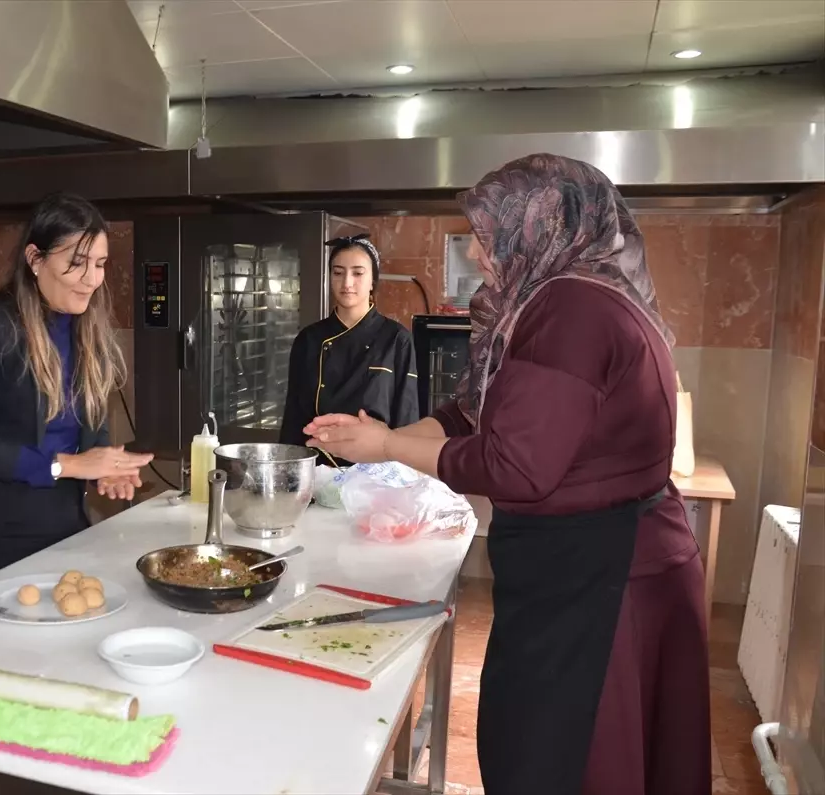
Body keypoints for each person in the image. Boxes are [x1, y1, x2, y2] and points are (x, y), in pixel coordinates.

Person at [304, 154, 710, 795]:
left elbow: (516, 466)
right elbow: (474, 412)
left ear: (542, 228)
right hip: (591, 569)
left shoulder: (572, 310)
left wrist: (386, 443)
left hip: (604, 582)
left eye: (488, 236)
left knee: (565, 761)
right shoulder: (568, 297)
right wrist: (382, 443)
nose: (478, 254)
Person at [0, 193, 152, 590]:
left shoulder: (88, 328)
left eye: (99, 264)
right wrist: (71, 466)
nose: (92, 279)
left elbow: (89, 422)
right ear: (35, 259)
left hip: (61, 522)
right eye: (77, 263)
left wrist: (104, 467)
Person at [278, 233, 418, 466]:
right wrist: (287, 470)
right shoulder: (309, 339)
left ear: (373, 281)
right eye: (338, 272)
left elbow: (407, 417)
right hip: (318, 467)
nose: (347, 283)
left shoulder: (396, 339)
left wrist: (406, 473)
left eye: (358, 273)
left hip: (375, 470)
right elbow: (294, 417)